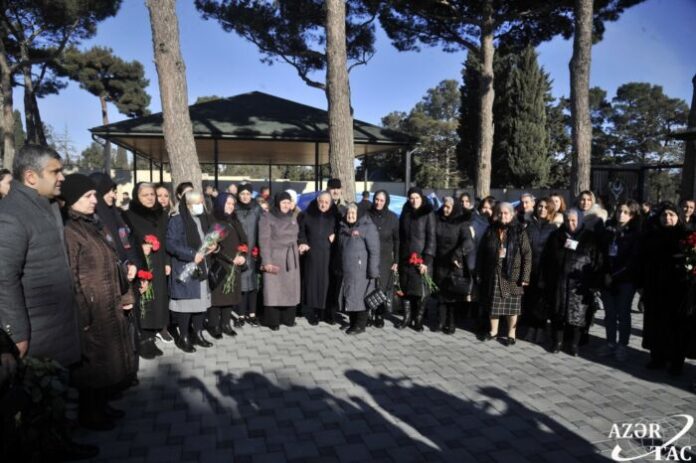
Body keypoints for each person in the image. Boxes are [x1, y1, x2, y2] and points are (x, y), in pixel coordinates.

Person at [0, 145, 97, 459]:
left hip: (59, 323)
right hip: (36, 332)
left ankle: (61, 442)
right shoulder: (12, 216)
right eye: (55, 171)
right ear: (31, 177)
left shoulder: (47, 205)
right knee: (37, 404)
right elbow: (4, 277)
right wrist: (17, 333)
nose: (62, 177)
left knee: (56, 396)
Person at [62, 174, 136, 431]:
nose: (95, 200)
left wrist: (125, 293)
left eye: (94, 195)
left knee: (106, 360)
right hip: (91, 309)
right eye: (88, 196)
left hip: (108, 301)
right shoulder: (70, 231)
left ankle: (101, 406)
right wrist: (83, 313)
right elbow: (71, 276)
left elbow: (113, 261)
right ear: (72, 200)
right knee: (92, 366)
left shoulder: (92, 225)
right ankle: (89, 415)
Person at [89, 172, 140, 384]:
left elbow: (127, 242)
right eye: (111, 191)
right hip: (109, 284)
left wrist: (134, 265)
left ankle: (129, 370)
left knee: (129, 328)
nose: (114, 194)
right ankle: (118, 376)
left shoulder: (115, 214)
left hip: (127, 278)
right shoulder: (94, 219)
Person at [542, 209, 603, 356]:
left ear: (581, 221)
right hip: (559, 283)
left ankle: (574, 344)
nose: (571, 224)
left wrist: (595, 282)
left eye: (574, 221)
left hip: (580, 284)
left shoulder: (589, 238)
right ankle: (558, 342)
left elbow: (597, 261)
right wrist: (544, 279)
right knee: (558, 314)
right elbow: (547, 259)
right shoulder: (556, 236)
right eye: (568, 220)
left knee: (578, 315)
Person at [639, 203, 689, 375]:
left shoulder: (686, 236)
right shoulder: (652, 235)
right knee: (656, 324)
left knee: (676, 327)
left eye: (671, 215)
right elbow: (643, 260)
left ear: (678, 217)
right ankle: (657, 357)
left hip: (678, 290)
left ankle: (676, 362)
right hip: (655, 288)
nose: (667, 218)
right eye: (663, 216)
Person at [123, 183, 171, 358]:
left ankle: (155, 332)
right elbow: (126, 240)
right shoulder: (128, 215)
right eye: (145, 195)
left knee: (158, 299)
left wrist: (167, 261)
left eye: (152, 194)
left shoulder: (162, 214)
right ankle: (145, 338)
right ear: (137, 197)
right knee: (144, 300)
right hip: (141, 263)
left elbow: (166, 240)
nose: (150, 198)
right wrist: (140, 247)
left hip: (158, 263)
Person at [166, 192, 217, 352]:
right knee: (186, 305)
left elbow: (208, 239)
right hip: (186, 268)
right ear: (187, 205)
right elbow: (170, 244)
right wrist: (191, 254)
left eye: (201, 202)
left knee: (201, 304)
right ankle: (184, 337)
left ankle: (198, 333)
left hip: (202, 268)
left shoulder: (202, 219)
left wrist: (214, 246)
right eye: (196, 203)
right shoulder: (177, 220)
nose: (200, 205)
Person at [478, 202, 532, 346]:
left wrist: (525, 277)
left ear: (512, 214)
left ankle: (511, 334)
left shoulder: (519, 230)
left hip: (513, 274)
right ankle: (493, 331)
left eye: (506, 213)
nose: (503, 216)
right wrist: (479, 272)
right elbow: (481, 252)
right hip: (493, 272)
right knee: (493, 304)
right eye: (500, 213)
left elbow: (527, 254)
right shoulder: (491, 229)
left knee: (512, 307)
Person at [598, 201, 641, 361]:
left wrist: (614, 275)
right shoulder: (609, 230)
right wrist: (605, 274)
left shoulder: (635, 233)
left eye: (625, 212)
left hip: (625, 280)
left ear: (632, 215)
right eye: (619, 211)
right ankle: (610, 343)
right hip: (607, 278)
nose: (621, 214)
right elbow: (601, 254)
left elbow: (633, 260)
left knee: (623, 314)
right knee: (609, 314)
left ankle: (623, 345)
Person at [259, 192, 301, 330]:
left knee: (290, 289)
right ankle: (273, 321)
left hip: (291, 257)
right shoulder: (267, 217)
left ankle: (288, 319)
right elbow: (264, 241)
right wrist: (266, 261)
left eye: (288, 202)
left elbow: (297, 236)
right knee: (274, 290)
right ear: (277, 203)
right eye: (283, 202)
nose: (286, 205)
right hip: (275, 257)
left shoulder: (293, 216)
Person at [208, 193, 248, 339]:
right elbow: (210, 243)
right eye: (227, 203)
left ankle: (225, 324)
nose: (231, 206)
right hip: (219, 263)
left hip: (234, 264)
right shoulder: (214, 219)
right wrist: (220, 252)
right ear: (220, 203)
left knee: (230, 295)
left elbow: (244, 241)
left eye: (232, 204)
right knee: (217, 298)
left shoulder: (234, 220)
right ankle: (214, 325)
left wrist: (243, 256)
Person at [433, 197, 474, 334]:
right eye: (444, 206)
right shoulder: (437, 219)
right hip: (439, 261)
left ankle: (451, 322)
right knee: (440, 294)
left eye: (448, 207)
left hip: (454, 263)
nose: (445, 209)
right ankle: (440, 321)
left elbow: (468, 242)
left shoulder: (461, 222)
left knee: (452, 295)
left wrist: (457, 254)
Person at [337, 203, 380, 335]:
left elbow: (374, 251)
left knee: (361, 297)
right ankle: (352, 322)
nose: (350, 216)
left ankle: (360, 325)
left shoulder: (368, 227)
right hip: (348, 270)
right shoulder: (343, 227)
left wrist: (373, 272)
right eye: (349, 213)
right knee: (350, 296)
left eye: (353, 214)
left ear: (359, 215)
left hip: (362, 271)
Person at [397, 187, 436, 332]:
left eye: (417, 198)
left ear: (421, 198)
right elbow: (401, 234)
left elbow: (431, 238)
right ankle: (407, 318)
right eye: (411, 198)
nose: (414, 201)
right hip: (406, 257)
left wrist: (427, 260)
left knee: (421, 292)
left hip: (421, 259)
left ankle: (418, 319)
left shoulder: (428, 213)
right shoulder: (405, 211)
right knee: (405, 289)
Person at [298, 191, 339, 325]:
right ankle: (314, 313)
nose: (323, 205)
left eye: (327, 202)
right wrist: (303, 242)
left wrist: (336, 235)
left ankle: (325, 313)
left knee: (326, 284)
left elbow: (343, 230)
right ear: (317, 201)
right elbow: (301, 231)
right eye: (321, 202)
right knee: (313, 284)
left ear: (331, 203)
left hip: (329, 256)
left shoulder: (335, 216)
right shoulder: (307, 214)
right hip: (312, 255)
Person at [521, 198, 557, 344]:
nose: (542, 209)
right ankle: (531, 328)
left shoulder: (554, 228)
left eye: (546, 207)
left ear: (550, 210)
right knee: (530, 300)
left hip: (546, 271)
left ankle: (540, 329)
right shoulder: (529, 226)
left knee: (542, 303)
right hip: (530, 269)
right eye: (540, 206)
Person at [368, 190, 399, 328]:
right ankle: (368, 313)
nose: (378, 202)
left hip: (386, 257)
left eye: (381, 200)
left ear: (386, 202)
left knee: (381, 287)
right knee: (369, 285)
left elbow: (397, 240)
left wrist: (396, 260)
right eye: (376, 199)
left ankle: (379, 314)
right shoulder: (367, 215)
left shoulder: (392, 218)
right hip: (369, 256)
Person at [235, 183, 262, 327]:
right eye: (242, 194)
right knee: (240, 285)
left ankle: (252, 314)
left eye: (247, 194)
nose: (245, 197)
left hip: (253, 251)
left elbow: (262, 228)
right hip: (239, 251)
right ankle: (240, 315)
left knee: (253, 285)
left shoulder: (257, 209)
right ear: (238, 195)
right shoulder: (234, 209)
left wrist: (259, 248)